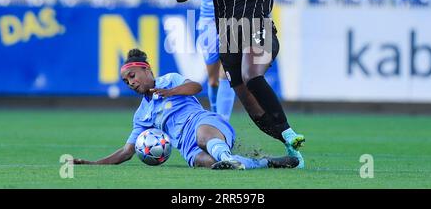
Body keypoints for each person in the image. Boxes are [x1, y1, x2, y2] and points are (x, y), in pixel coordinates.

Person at [175, 0, 371, 168]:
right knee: (256, 112)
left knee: (252, 76)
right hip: (229, 40)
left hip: (260, 31)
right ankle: (292, 151)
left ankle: (288, 132)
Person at [72, 48, 299, 170]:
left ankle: (228, 157)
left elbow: (195, 86)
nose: (130, 82)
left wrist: (170, 92)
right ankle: (263, 163)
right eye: (126, 81)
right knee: (207, 163)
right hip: (186, 147)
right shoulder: (142, 115)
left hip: (206, 124)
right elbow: (127, 151)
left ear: (146, 70)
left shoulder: (169, 80)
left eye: (132, 76)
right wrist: (93, 164)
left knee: (203, 137)